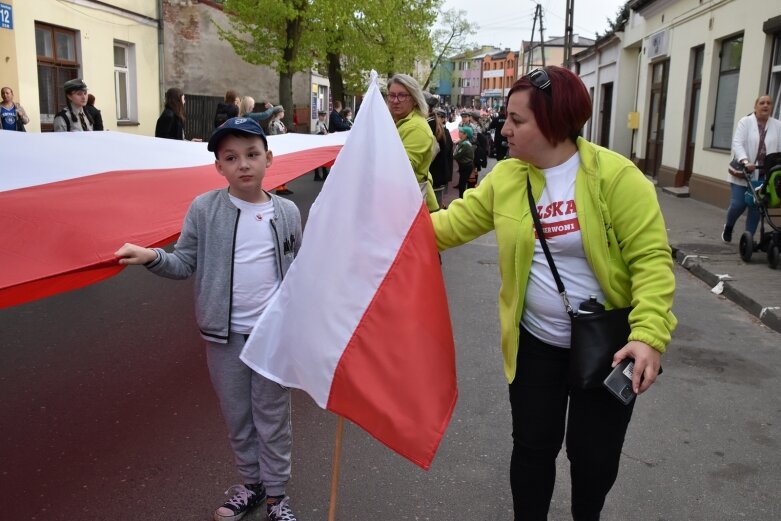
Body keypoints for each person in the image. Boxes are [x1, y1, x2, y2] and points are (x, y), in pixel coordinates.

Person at [430, 66, 676, 520]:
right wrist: (381, 226)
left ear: (555, 122)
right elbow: (446, 227)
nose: (504, 129)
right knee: (531, 450)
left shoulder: (617, 178)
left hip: (606, 349)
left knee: (594, 459)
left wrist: (648, 335)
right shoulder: (507, 179)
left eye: (517, 121)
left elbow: (652, 262)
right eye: (506, 118)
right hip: (535, 344)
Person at [114, 117, 300, 521]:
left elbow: (298, 270)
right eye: (231, 158)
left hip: (272, 337)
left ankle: (277, 496)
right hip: (225, 337)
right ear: (219, 166)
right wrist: (152, 257)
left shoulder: (286, 212)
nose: (243, 165)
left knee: (273, 417)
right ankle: (251, 485)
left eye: (252, 155)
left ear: (268, 158)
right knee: (238, 415)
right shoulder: (204, 208)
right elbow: (184, 263)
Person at [722, 95, 781, 242]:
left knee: (757, 205)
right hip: (744, 172)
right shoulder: (745, 122)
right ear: (756, 106)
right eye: (762, 103)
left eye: (768, 103)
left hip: (764, 174)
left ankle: (748, 238)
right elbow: (737, 143)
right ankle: (729, 227)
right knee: (738, 204)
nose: (765, 105)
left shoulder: (777, 125)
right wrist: (745, 160)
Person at [386, 73, 439, 212]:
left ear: (415, 99)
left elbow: (401, 170)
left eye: (402, 95)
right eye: (391, 95)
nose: (395, 100)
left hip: (410, 207)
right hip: (403, 202)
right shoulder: (399, 121)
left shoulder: (415, 127)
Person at [268, 106, 292, 195]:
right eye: (282, 112)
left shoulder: (280, 123)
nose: (283, 113)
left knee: (284, 167)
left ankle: (284, 187)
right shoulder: (273, 123)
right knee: (279, 168)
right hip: (278, 148)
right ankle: (279, 188)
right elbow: (274, 137)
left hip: (283, 146)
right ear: (279, 113)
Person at [452, 126, 474, 198]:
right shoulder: (463, 142)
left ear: (466, 134)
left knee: (462, 184)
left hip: (466, 166)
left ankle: (462, 199)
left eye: (461, 132)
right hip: (464, 165)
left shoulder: (465, 145)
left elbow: (456, 155)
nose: (459, 133)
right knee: (462, 183)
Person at [313, 109, 329, 181]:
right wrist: (323, 133)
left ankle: (325, 174)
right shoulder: (318, 123)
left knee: (323, 159)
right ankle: (317, 175)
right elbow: (318, 133)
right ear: (319, 116)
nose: (323, 117)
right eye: (322, 116)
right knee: (317, 160)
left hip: (324, 142)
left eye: (324, 115)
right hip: (319, 143)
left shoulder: (324, 123)